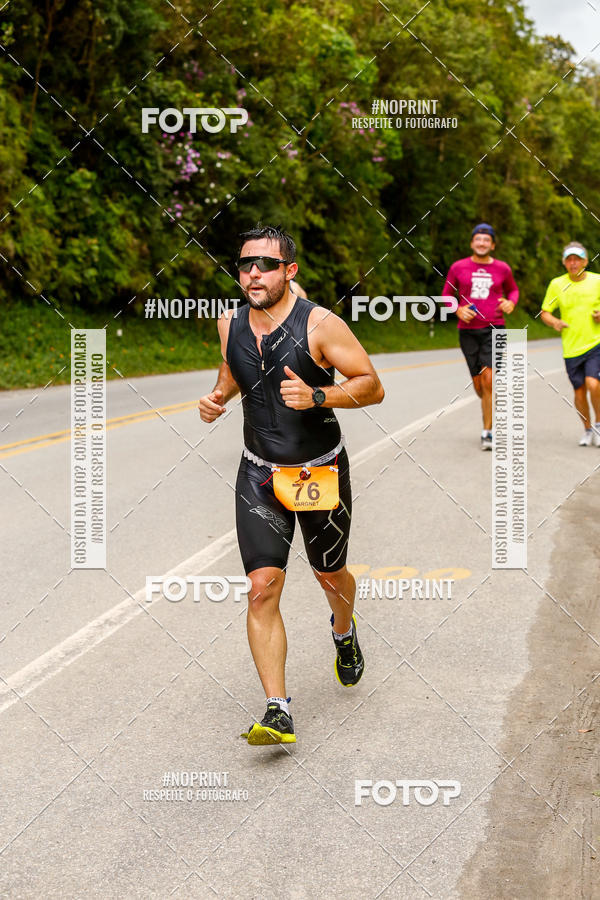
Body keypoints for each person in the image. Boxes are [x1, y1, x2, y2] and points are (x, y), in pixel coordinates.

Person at [198, 225, 384, 745]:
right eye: (244, 264)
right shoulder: (229, 321)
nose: (252, 273)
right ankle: (277, 710)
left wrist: (320, 397)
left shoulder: (320, 324)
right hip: (259, 470)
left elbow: (372, 385)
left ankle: (343, 632)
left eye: (265, 264)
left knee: (330, 574)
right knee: (262, 590)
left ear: (289, 271)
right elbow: (233, 372)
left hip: (317, 470)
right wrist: (216, 397)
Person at [442, 223, 519, 450]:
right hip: (467, 332)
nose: (482, 243)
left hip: (495, 328)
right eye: (478, 239)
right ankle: (487, 403)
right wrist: (457, 309)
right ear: (472, 243)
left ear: (492, 245)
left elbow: (513, 290)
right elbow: (446, 295)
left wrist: (510, 302)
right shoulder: (458, 267)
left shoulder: (503, 268)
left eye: (487, 240)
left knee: (489, 379)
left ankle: (488, 432)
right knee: (479, 384)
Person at [540, 241, 600, 446]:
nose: (573, 263)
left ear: (585, 260)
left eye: (577, 259)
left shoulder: (597, 281)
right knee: (579, 391)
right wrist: (555, 321)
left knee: (594, 384)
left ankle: (599, 425)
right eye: (569, 259)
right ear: (564, 263)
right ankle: (587, 429)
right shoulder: (557, 284)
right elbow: (545, 312)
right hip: (571, 347)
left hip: (596, 343)